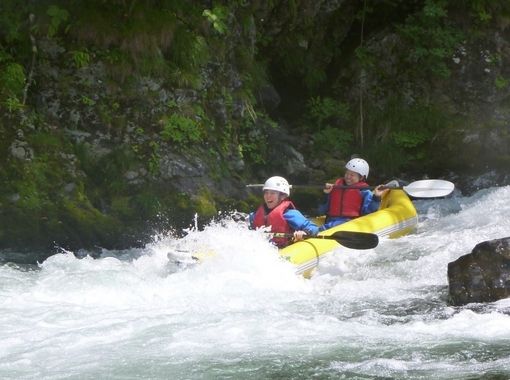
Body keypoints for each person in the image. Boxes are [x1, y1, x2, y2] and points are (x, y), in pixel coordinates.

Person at [318, 158, 388, 231]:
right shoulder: (336, 187)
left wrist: (376, 197)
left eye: (352, 175)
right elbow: (321, 210)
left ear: (361, 177)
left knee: (337, 224)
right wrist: (325, 195)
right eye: (347, 173)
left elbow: (370, 212)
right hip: (331, 221)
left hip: (350, 223)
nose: (348, 177)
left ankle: (320, 230)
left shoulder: (364, 191)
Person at [249, 176, 319, 248]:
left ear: (283, 196)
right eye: (266, 193)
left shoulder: (290, 214)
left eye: (272, 193)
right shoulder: (255, 215)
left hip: (284, 249)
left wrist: (304, 232)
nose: (268, 196)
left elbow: (313, 227)